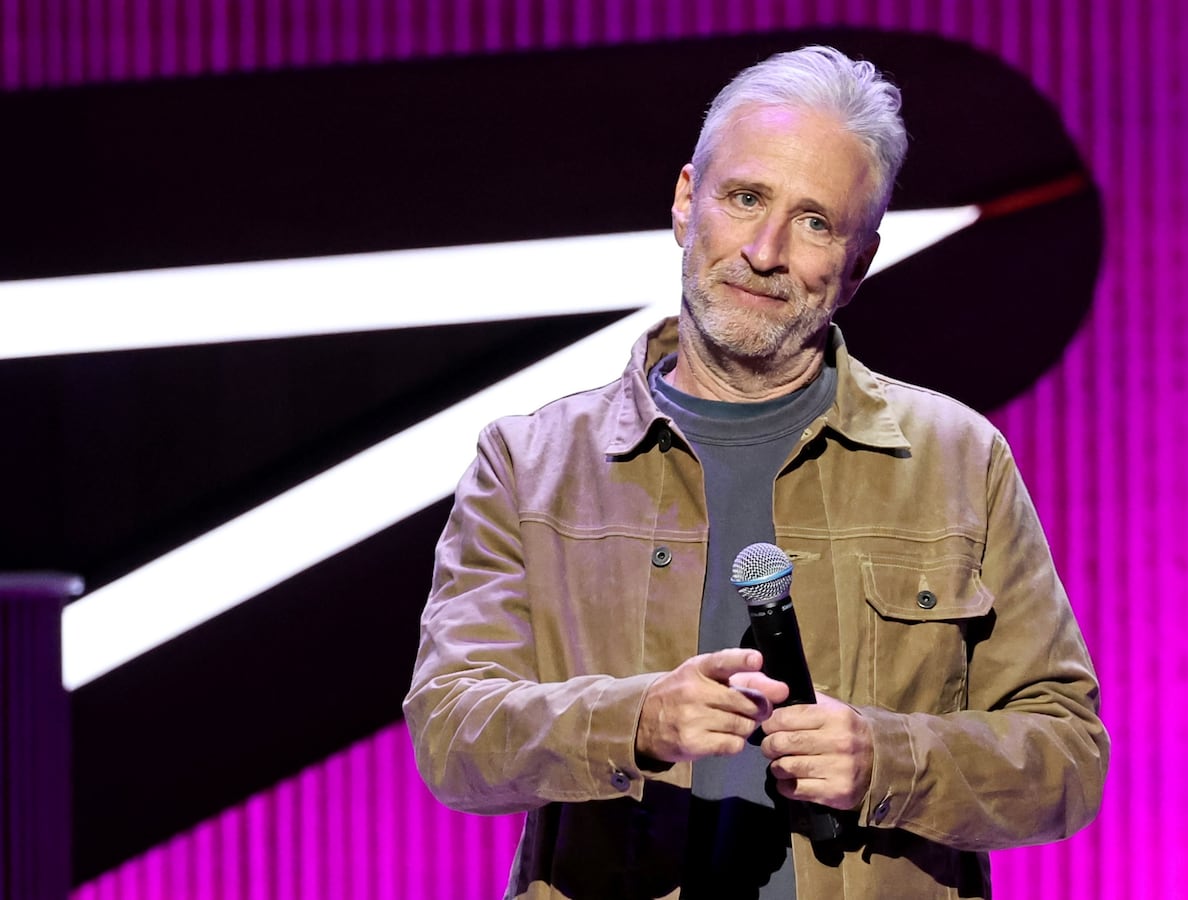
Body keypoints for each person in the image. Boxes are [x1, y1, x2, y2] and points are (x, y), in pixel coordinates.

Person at [404, 45, 1108, 899]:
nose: (766, 250)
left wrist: (889, 756)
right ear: (686, 201)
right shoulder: (531, 463)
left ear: (858, 263)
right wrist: (633, 719)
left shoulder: (958, 459)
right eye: (745, 199)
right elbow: (451, 736)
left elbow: (1067, 758)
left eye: (816, 222)